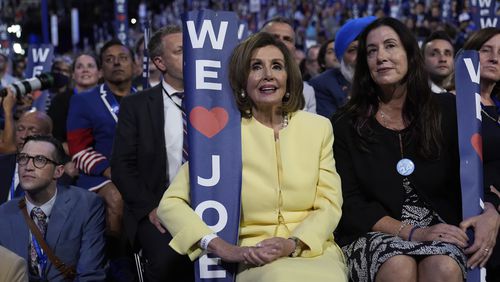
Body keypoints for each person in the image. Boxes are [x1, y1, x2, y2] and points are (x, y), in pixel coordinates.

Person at [157, 32, 347, 282]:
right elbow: (170, 204)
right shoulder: (223, 135)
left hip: (312, 249)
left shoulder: (318, 128)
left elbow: (330, 204)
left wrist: (292, 244)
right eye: (256, 67)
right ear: (241, 80)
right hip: (255, 256)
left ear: (288, 78)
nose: (268, 74)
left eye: (276, 66)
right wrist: (222, 248)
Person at [332, 17, 499, 282]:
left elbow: (484, 164)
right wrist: (412, 233)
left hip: (442, 227)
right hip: (373, 232)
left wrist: (491, 211)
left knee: (443, 266)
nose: (381, 57)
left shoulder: (445, 110)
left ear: (410, 55)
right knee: (399, 266)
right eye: (371, 51)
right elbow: (350, 202)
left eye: (390, 46)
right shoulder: (345, 123)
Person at [111, 25, 194, 282]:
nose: (191, 56)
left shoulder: (217, 101)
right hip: (158, 209)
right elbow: (122, 166)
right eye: (181, 51)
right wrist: (150, 208)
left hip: (214, 207)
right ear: (159, 62)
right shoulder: (135, 106)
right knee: (170, 262)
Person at [67, 39, 136, 278]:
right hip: (99, 175)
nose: (117, 63)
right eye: (109, 59)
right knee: (116, 197)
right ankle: (116, 262)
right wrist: (112, 173)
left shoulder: (147, 97)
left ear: (135, 66)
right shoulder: (83, 100)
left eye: (123, 58)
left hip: (140, 172)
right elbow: (78, 149)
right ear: (101, 69)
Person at [0, 134, 106, 281]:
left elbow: (90, 275)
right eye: (23, 158)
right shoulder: (3, 213)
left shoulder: (87, 205)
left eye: (39, 160)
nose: (28, 167)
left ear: (59, 171)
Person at [463, 27, 500, 280]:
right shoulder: (450, 105)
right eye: (486, 50)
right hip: (474, 212)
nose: (495, 58)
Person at [310, 16, 376, 119]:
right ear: (340, 58)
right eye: (353, 50)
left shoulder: (392, 80)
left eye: (370, 49)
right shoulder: (323, 85)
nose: (361, 56)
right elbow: (333, 129)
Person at [261, 16, 316, 113]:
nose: (281, 42)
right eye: (274, 37)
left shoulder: (306, 92)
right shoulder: (246, 84)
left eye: (287, 39)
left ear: (294, 50)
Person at [0, 110, 53, 204]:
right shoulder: (2, 163)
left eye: (33, 130)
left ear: (47, 137)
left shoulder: (54, 174)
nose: (24, 136)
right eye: (20, 129)